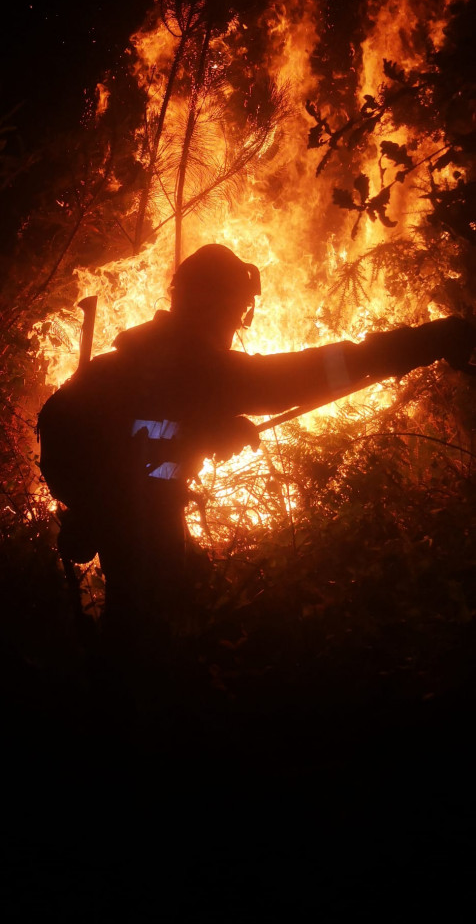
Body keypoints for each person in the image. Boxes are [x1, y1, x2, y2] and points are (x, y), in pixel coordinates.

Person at [37, 244, 474, 658]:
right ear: (219, 305)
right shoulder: (198, 366)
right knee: (148, 634)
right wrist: (428, 341)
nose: (236, 326)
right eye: (236, 311)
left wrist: (206, 431)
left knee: (151, 615)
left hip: (124, 512)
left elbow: (144, 428)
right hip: (138, 523)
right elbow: (311, 374)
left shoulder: (138, 360)